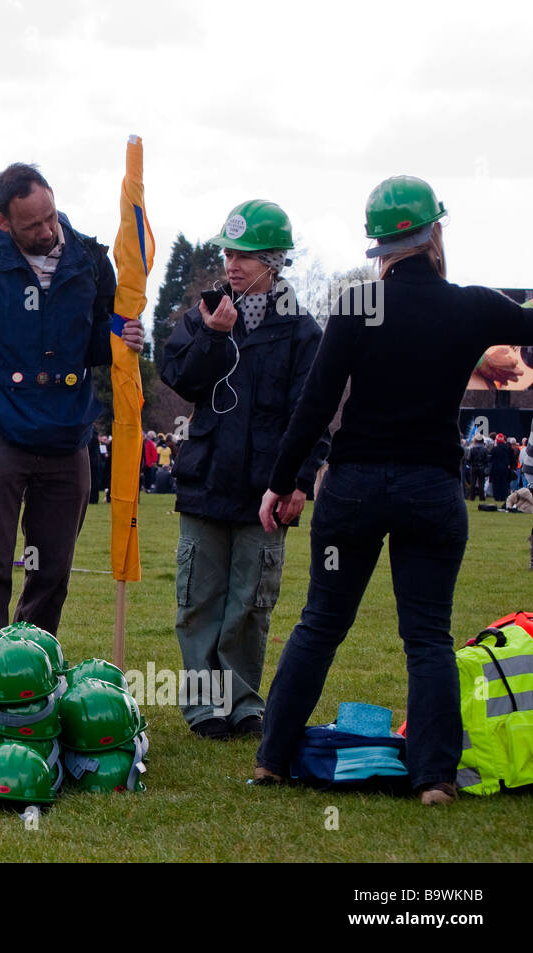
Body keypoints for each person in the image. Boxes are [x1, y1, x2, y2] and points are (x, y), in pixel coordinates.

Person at [253, 175, 533, 805]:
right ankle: (434, 778)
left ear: (379, 244)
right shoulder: (474, 306)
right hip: (431, 491)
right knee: (427, 636)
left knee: (320, 624)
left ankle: (271, 758)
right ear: (435, 231)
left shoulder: (357, 305)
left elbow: (314, 404)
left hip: (352, 489)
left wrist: (282, 483)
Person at [0, 162, 144, 634]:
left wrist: (121, 336)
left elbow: (95, 341)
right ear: (3, 221)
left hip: (69, 434)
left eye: (51, 216)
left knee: (53, 570)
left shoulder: (89, 258)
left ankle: (32, 664)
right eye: (33, 224)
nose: (48, 230)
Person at [159, 200, 329, 740]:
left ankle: (243, 703)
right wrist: (213, 336)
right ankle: (205, 708)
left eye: (247, 255)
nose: (233, 264)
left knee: (251, 603)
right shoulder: (202, 314)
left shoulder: (303, 331)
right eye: (229, 252)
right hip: (206, 480)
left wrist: (302, 480)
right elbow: (180, 379)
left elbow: (314, 411)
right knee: (198, 600)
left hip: (267, 487)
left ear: (276, 261)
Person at [464, 434, 488, 500]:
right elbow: (486, 459)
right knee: (481, 483)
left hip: (473, 467)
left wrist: (471, 464)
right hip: (482, 468)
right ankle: (482, 497)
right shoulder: (484, 449)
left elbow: (468, 458)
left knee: (473, 483)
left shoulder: (472, 448)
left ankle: (472, 497)